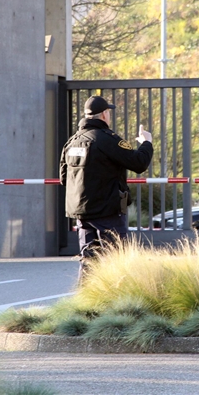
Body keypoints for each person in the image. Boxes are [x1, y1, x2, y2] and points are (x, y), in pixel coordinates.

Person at [60, 96, 153, 280]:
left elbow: (64, 179)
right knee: (116, 260)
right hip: (108, 212)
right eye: (108, 112)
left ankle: (86, 297)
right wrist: (146, 143)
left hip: (82, 214)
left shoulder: (71, 142)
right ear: (104, 114)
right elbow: (139, 162)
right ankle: (116, 296)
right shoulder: (107, 139)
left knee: (88, 261)